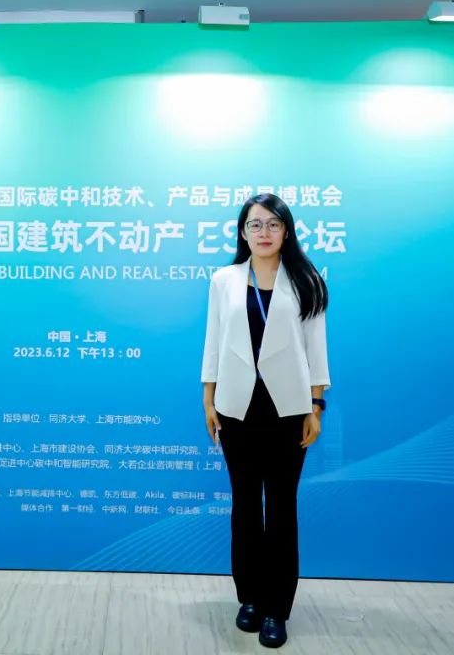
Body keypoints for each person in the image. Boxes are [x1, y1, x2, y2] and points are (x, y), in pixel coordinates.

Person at [201, 193, 330, 649]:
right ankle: (250, 599)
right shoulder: (224, 280)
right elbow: (214, 340)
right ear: (243, 232)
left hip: (288, 409)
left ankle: (278, 607)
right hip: (237, 408)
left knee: (280, 509)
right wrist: (208, 397)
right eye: (255, 225)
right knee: (244, 507)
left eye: (273, 224)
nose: (264, 232)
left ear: (286, 231)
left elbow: (316, 346)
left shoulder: (306, 280)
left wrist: (316, 405)